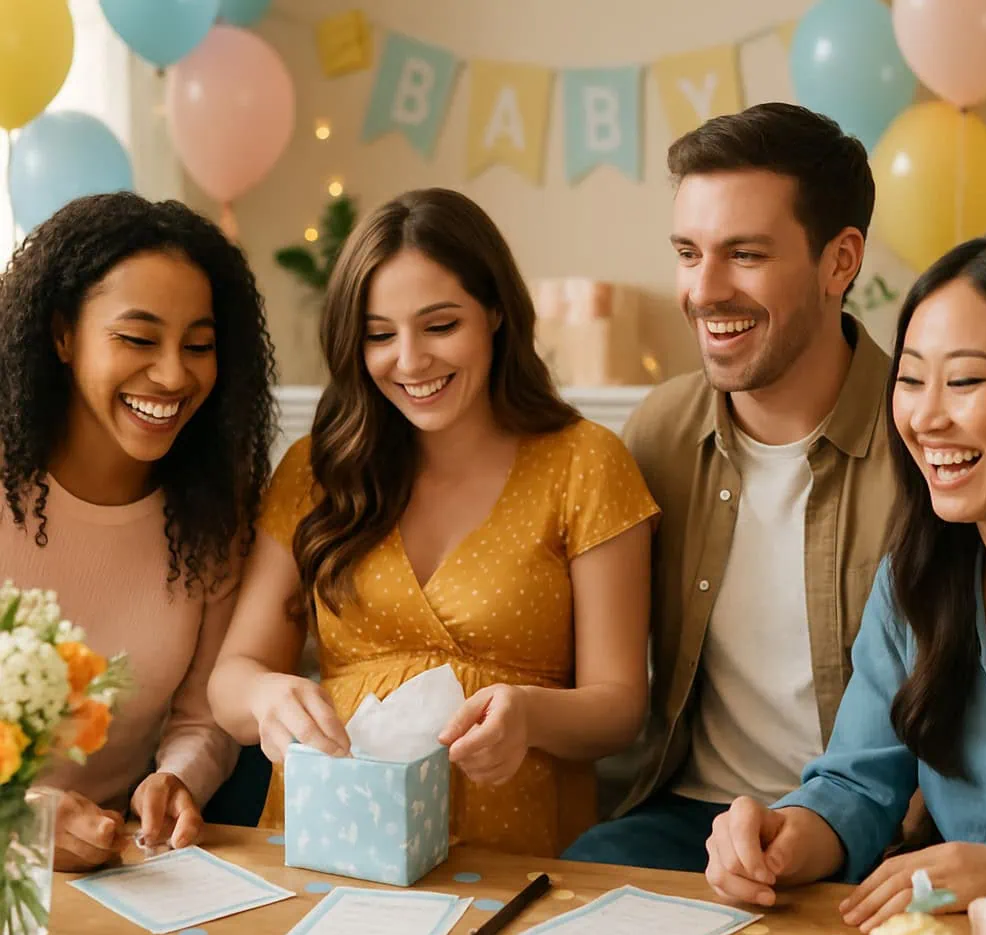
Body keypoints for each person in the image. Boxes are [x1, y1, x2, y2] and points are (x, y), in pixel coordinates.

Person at [208, 187, 658, 857]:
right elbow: (230, 680)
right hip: (335, 841)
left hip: (515, 851)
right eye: (379, 335)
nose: (411, 360)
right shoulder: (316, 471)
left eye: (440, 325)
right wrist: (266, 695)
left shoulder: (586, 463)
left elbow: (619, 708)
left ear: (496, 313)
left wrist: (529, 714)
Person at [563, 102, 895, 870]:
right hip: (690, 817)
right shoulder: (657, 433)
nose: (704, 290)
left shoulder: (925, 442)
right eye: (688, 252)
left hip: (881, 831)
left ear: (840, 262)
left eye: (744, 254)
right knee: (573, 882)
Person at [705, 233, 986, 930]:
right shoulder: (915, 583)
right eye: (910, 380)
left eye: (964, 381)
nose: (926, 417)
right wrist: (781, 840)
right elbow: (859, 783)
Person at [0, 192, 277, 871]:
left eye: (199, 346)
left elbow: (203, 714)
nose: (174, 374)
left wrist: (178, 778)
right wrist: (16, 820)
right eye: (138, 339)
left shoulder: (214, 516)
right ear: (63, 335)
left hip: (122, 868)